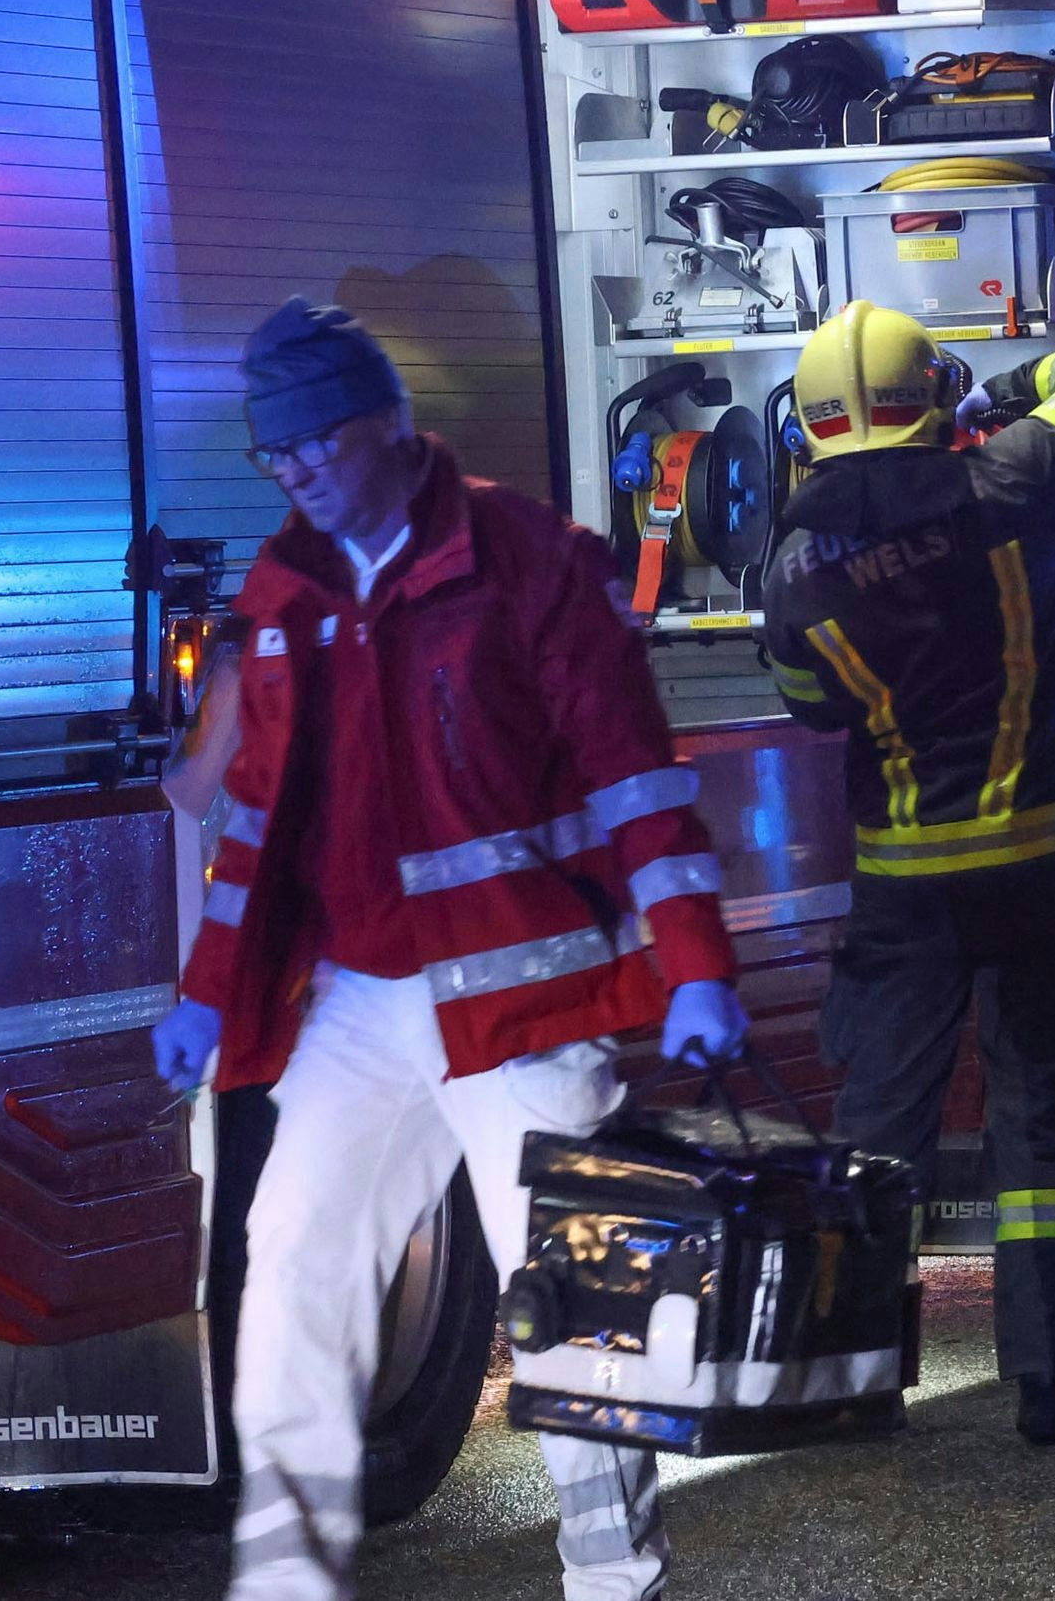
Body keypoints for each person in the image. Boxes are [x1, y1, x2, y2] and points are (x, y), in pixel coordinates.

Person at [151, 300, 743, 1601]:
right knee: (295, 1249)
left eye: (313, 436)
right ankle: (287, 1580)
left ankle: (614, 1578)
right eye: (274, 449)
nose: (296, 466)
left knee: (578, 1301)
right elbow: (254, 817)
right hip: (367, 1000)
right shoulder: (291, 587)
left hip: (526, 1000)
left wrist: (695, 958)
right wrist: (208, 994)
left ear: (387, 424)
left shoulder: (528, 560)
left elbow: (634, 775)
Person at [756, 303, 1055, 1442]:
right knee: (1045, 1115)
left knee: (881, 1122)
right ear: (932, 395)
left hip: (906, 883)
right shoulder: (1016, 477)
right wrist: (1000, 394)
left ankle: (858, 1379)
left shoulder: (793, 563)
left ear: (813, 423)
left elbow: (811, 707)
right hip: (1040, 856)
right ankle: (1050, 1384)